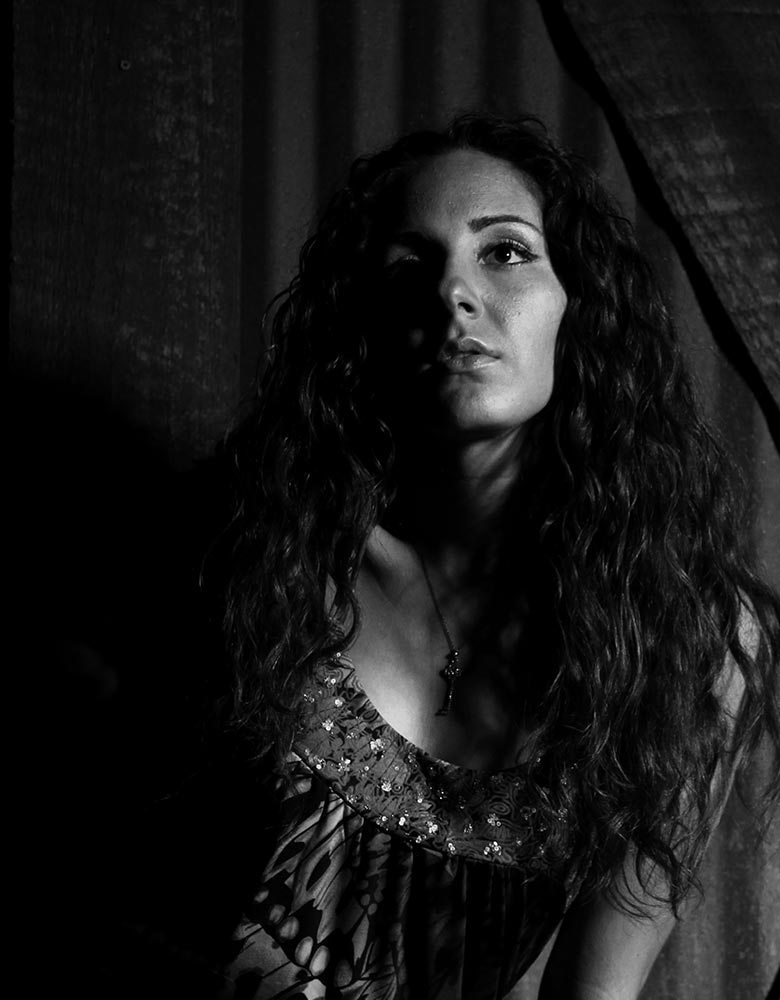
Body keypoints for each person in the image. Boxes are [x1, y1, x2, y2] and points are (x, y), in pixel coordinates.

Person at [214, 114, 780, 1000]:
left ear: (576, 303)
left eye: (506, 252)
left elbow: (595, 992)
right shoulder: (271, 561)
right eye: (410, 267)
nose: (455, 294)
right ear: (366, 326)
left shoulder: (683, 632)